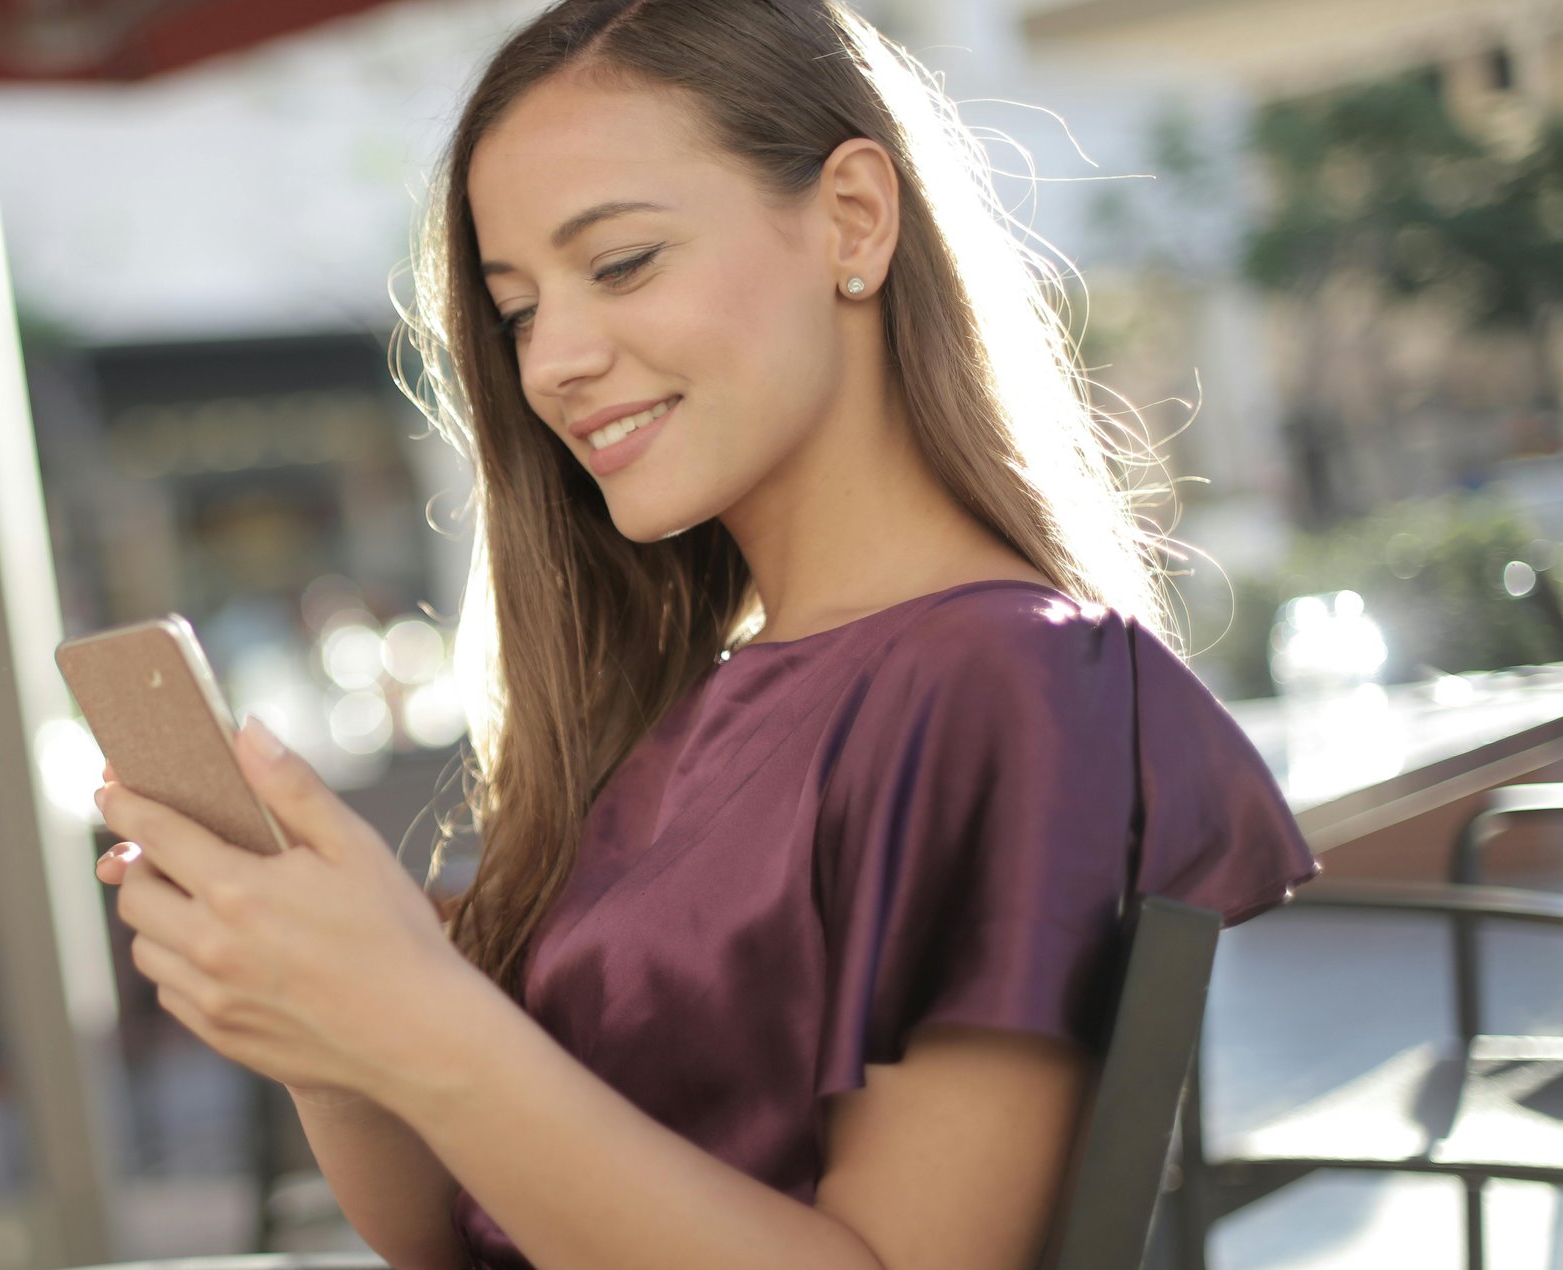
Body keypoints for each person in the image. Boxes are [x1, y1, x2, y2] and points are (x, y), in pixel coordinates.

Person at [92, 2, 1320, 1266]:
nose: (551, 360)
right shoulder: (682, 710)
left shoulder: (1008, 681)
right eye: (515, 311)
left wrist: (420, 1018)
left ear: (851, 217)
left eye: (619, 263)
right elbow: (455, 1235)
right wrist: (330, 1031)